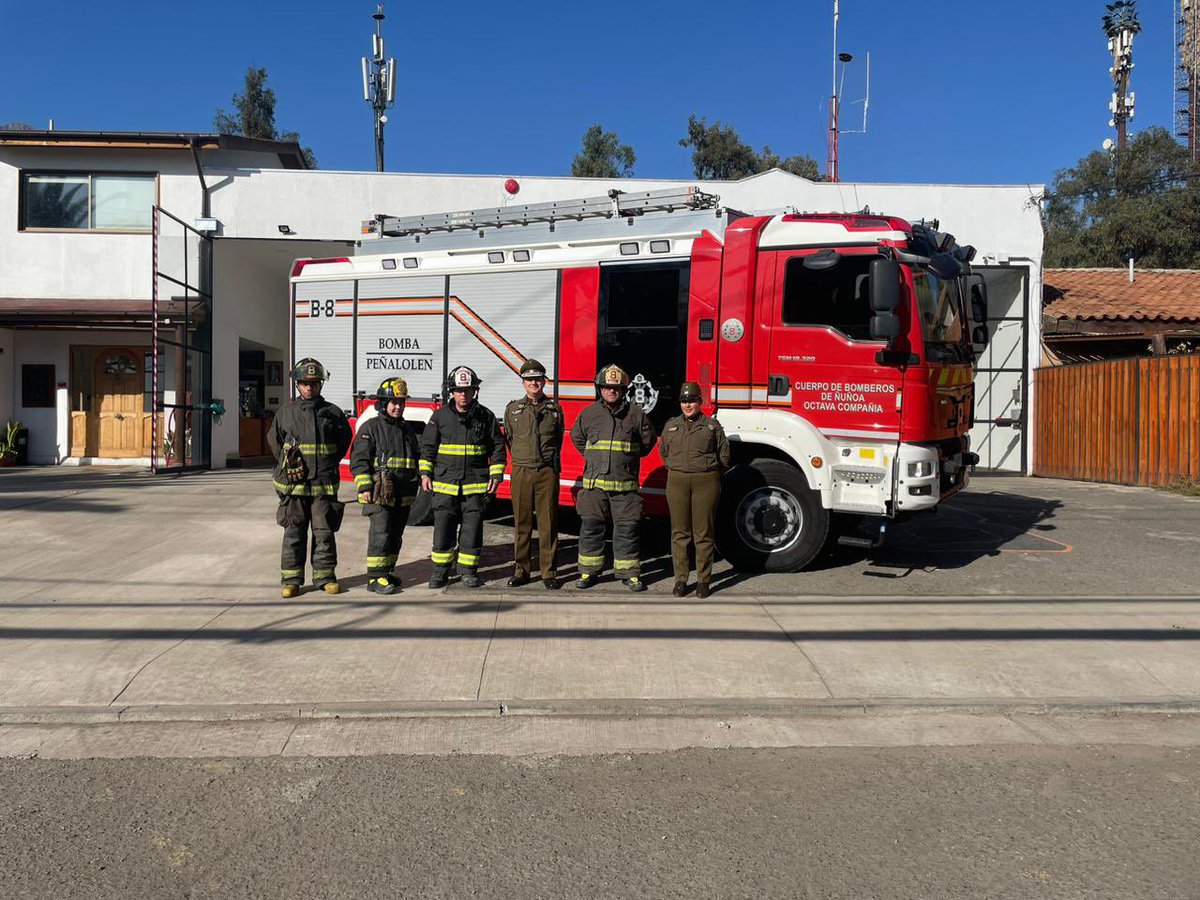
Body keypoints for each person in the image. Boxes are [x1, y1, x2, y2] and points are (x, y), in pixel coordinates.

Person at [268, 357, 353, 598]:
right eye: (305, 383)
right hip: (294, 487)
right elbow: (275, 444)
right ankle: (292, 580)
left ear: (320, 385)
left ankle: (325, 577)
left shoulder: (333, 414)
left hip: (323, 485)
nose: (309, 387)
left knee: (324, 533)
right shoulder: (285, 414)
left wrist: (326, 464)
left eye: (314, 383)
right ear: (297, 384)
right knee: (293, 533)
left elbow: (342, 443)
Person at [570, 364, 657, 592]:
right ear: (600, 389)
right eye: (607, 387)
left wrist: (626, 460)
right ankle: (589, 572)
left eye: (617, 387)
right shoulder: (589, 414)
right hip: (594, 485)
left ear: (624, 390)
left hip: (625, 487)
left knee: (627, 531)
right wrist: (594, 458)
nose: (612, 391)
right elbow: (578, 438)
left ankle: (629, 574)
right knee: (591, 528)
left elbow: (648, 442)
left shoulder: (636, 414)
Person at [419, 365, 506, 589]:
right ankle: (440, 572)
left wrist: (496, 475)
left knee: (472, 530)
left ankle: (468, 571)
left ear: (475, 391)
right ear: (452, 392)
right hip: (446, 484)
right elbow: (428, 447)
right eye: (458, 390)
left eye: (467, 390)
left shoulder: (485, 416)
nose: (463, 394)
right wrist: (425, 473)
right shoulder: (439, 417)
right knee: (443, 529)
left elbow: (497, 447)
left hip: (475, 485)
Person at [349, 377, 422, 595]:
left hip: (403, 493)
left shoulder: (407, 429)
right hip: (379, 494)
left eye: (401, 402)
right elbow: (359, 461)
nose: (398, 406)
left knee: (395, 535)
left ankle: (387, 571)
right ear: (382, 403)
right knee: (380, 534)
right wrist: (364, 488)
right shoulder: (370, 428)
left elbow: (415, 459)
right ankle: (374, 578)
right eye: (394, 402)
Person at [659, 381, 731, 598]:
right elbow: (664, 453)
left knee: (703, 533)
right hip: (677, 481)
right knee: (680, 533)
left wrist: (710, 474)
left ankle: (703, 580)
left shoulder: (712, 426)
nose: (687, 405)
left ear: (700, 402)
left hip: (706, 481)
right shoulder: (671, 425)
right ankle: (681, 580)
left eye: (691, 400)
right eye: (684, 401)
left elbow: (724, 456)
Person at [503, 358, 564, 590]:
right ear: (523, 383)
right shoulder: (513, 409)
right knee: (522, 523)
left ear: (544, 382)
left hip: (546, 471)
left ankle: (549, 572)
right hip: (521, 471)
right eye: (529, 379)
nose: (534, 383)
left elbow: (557, 441)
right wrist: (523, 460)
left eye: (537, 379)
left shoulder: (554, 410)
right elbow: (509, 438)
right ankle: (522, 571)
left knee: (548, 524)